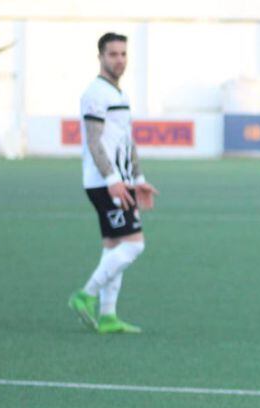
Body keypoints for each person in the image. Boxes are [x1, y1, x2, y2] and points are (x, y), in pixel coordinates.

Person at [67, 33, 159, 334]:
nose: (119, 60)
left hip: (121, 181)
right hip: (104, 183)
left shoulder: (120, 94)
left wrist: (139, 179)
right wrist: (112, 180)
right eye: (113, 54)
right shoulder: (94, 93)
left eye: (123, 54)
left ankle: (107, 316)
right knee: (134, 245)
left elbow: (126, 140)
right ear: (100, 57)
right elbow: (95, 142)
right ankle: (86, 295)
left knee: (115, 245)